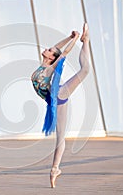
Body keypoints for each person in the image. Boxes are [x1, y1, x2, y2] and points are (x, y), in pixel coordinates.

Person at [31, 23, 90, 188]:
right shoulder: (44, 64)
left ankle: (86, 41)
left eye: (49, 51)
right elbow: (58, 48)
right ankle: (54, 169)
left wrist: (77, 38)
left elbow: (63, 53)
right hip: (55, 101)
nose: (47, 49)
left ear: (51, 58)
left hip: (58, 94)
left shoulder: (49, 69)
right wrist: (70, 37)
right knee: (60, 137)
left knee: (85, 70)